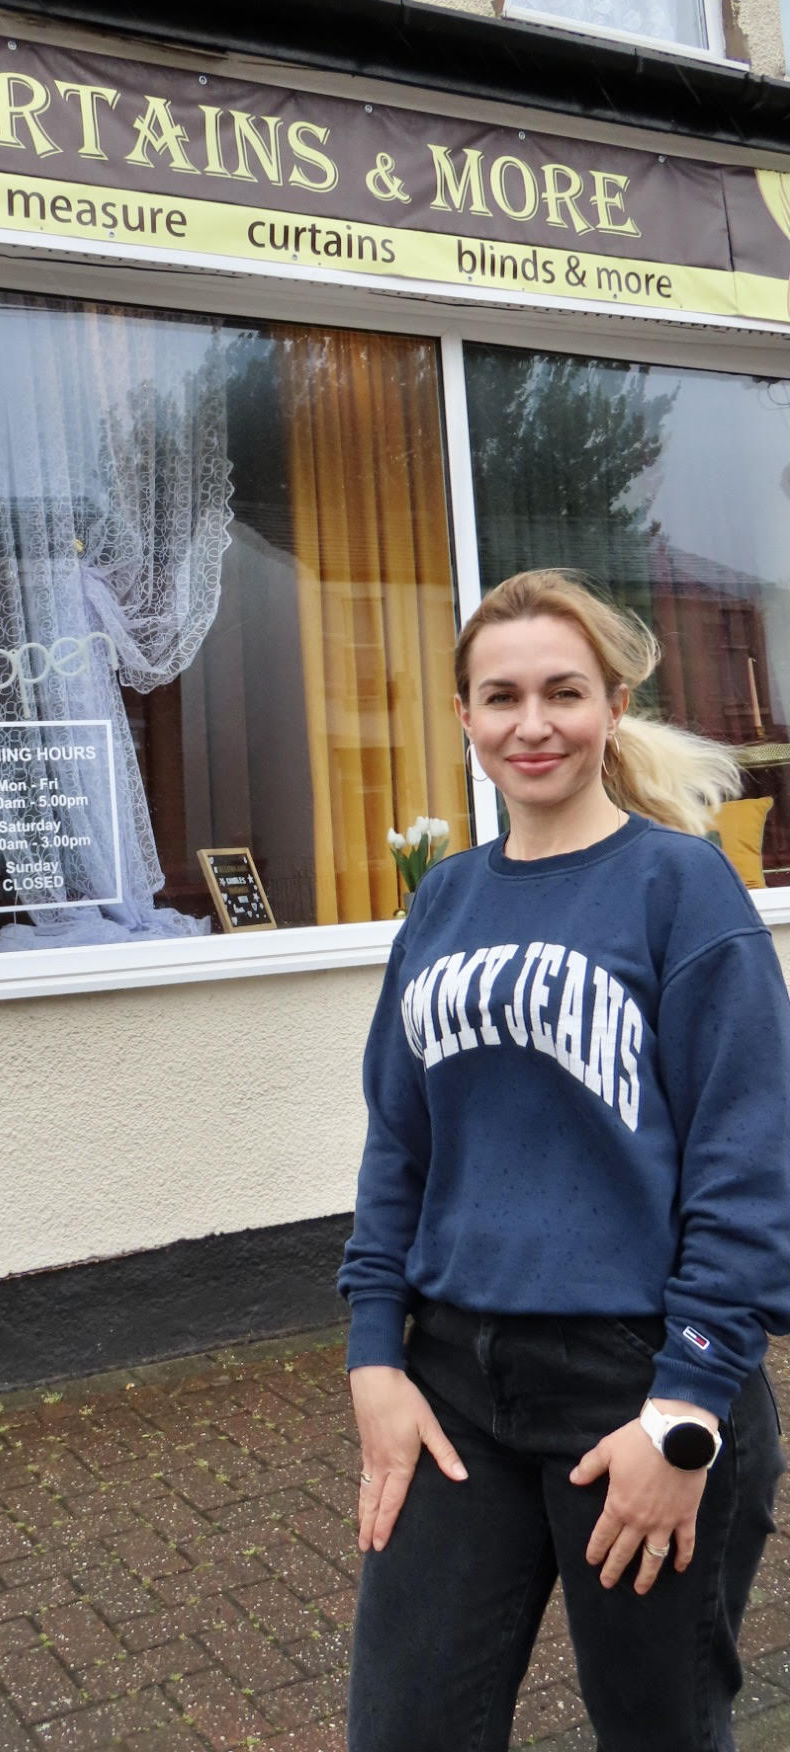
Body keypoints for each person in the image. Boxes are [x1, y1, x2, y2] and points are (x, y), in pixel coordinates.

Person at [339, 569, 790, 1752]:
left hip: (634, 1386)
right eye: (501, 697)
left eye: (562, 692)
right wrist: (374, 1361)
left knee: (660, 1730)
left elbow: (747, 1170)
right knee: (405, 1729)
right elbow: (399, 1144)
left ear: (613, 704)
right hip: (451, 1388)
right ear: (466, 718)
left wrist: (686, 1414)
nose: (530, 723)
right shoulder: (440, 903)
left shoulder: (682, 890)